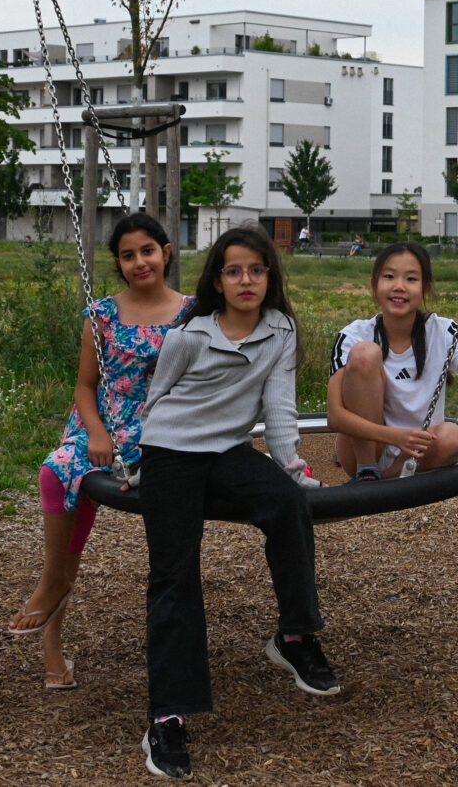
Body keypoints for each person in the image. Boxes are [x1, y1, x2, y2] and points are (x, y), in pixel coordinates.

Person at [137, 227, 335, 779]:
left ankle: (294, 635)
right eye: (233, 271)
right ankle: (168, 715)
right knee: (175, 573)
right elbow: (157, 400)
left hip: (227, 450)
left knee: (287, 504)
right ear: (218, 281)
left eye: (256, 269)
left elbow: (279, 406)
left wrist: (291, 465)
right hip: (171, 451)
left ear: (270, 276)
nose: (246, 280)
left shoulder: (280, 330)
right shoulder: (189, 336)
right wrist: (140, 460)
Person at [6, 213, 192, 691]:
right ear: (119, 264)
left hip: (158, 429)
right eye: (128, 256)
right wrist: (96, 433)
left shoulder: (192, 314)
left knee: (111, 503)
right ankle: (53, 593)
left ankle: (55, 594)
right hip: (102, 426)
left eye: (147, 251)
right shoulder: (102, 314)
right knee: (57, 474)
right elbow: (85, 386)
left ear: (166, 253)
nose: (139, 262)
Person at [327, 240, 458, 481]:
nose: (399, 287)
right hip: (363, 450)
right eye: (389, 276)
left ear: (425, 289)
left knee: (453, 436)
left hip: (417, 453)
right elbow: (335, 417)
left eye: (411, 279)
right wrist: (396, 437)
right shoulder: (353, 335)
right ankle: (367, 471)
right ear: (374, 285)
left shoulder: (443, 331)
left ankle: (386, 480)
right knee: (365, 354)